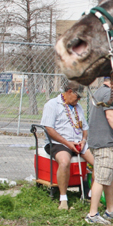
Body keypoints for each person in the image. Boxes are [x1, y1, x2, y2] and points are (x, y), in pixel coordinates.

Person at [40, 81, 94, 210]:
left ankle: (91, 195)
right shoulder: (52, 104)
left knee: (98, 164)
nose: (79, 100)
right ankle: (63, 198)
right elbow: (49, 129)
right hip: (59, 143)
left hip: (78, 142)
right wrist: (67, 143)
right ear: (69, 92)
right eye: (77, 96)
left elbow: (84, 127)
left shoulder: (77, 107)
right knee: (64, 162)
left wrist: (83, 140)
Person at [85, 77, 113, 224]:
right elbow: (110, 116)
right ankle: (92, 215)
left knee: (109, 177)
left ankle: (110, 210)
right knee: (100, 179)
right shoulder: (109, 94)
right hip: (105, 143)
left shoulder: (100, 91)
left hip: (101, 141)